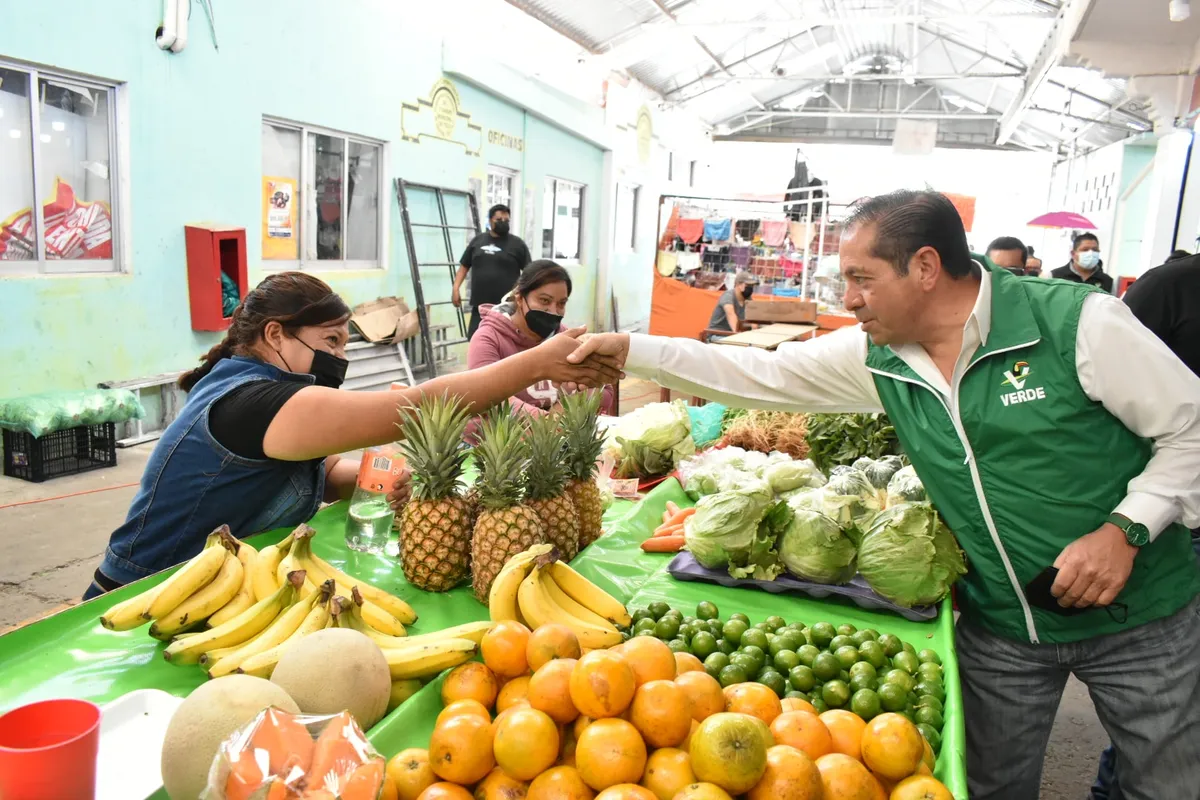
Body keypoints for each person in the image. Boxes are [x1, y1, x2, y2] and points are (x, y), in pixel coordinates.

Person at [568, 190, 1200, 800]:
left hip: (1143, 619)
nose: (848, 299)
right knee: (989, 788)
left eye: (861, 278)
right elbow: (763, 372)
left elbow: (1191, 429)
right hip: (1003, 628)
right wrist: (631, 350)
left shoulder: (1077, 323)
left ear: (925, 267)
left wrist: (1126, 529)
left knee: (1168, 784)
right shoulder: (881, 355)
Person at [83, 272, 619, 599]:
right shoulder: (256, 403)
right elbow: (415, 407)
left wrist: (386, 481)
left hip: (223, 586)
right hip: (146, 594)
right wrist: (535, 363)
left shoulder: (272, 392)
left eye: (345, 344)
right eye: (330, 342)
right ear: (275, 335)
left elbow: (322, 474)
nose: (340, 358)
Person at [467, 260, 614, 416]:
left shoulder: (567, 340)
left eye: (561, 303)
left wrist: (566, 408)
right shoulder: (489, 338)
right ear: (520, 298)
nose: (553, 311)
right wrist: (546, 421)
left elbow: (605, 391)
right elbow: (485, 398)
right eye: (544, 300)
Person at [453, 204, 533, 340]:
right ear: (490, 221)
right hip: (480, 306)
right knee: (477, 340)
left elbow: (529, 273)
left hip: (507, 307)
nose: (503, 223)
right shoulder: (478, 241)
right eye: (499, 220)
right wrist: (455, 289)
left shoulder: (517, 244)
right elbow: (464, 266)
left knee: (505, 341)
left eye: (506, 220)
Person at [706, 271, 758, 341]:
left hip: (731, 336)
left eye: (752, 286)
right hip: (716, 335)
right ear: (738, 284)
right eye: (748, 285)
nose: (751, 288)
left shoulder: (748, 299)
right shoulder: (728, 296)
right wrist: (738, 336)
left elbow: (753, 319)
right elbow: (731, 314)